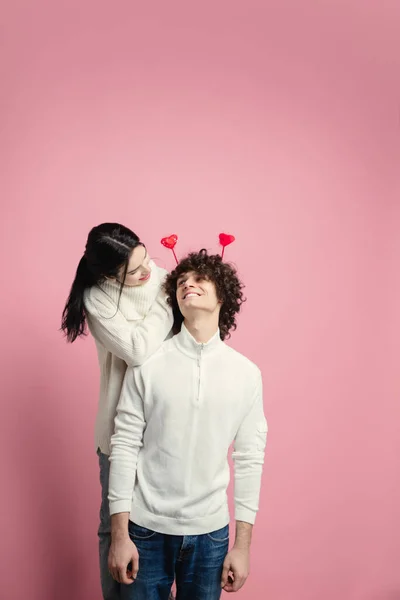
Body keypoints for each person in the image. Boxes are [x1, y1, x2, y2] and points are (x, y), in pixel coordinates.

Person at [108, 249, 267, 600]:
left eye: (199, 279)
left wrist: (242, 546)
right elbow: (124, 447)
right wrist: (120, 536)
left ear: (222, 295)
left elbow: (250, 458)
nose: (188, 285)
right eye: (181, 281)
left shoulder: (246, 374)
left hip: (211, 535)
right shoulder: (147, 365)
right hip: (145, 530)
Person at [61, 223, 173, 600]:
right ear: (110, 276)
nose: (148, 273)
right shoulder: (98, 298)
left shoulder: (166, 276)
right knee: (115, 527)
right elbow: (138, 350)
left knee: (165, 525)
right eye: (135, 271)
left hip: (167, 425)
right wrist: (165, 305)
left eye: (146, 259)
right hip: (118, 430)